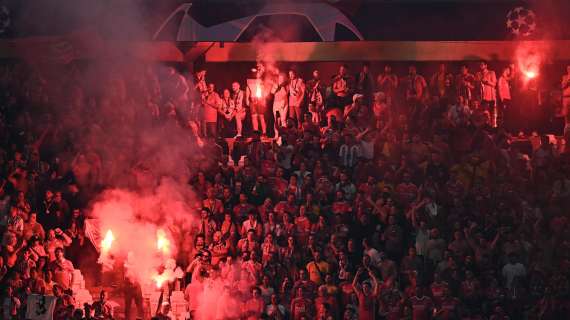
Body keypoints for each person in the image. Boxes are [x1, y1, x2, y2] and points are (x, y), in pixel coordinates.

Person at [477, 61, 497, 126]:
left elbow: (494, 84)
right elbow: (476, 85)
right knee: (483, 113)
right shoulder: (478, 74)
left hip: (490, 97)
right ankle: (484, 127)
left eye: (482, 64)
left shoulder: (491, 73)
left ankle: (492, 127)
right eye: (480, 65)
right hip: (482, 97)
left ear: (486, 65)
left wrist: (487, 81)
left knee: (491, 113)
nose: (481, 66)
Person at [272, 73, 289, 137]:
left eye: (282, 78)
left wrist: (282, 86)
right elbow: (272, 92)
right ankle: (276, 135)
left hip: (284, 103)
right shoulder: (275, 84)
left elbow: (285, 93)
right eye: (280, 78)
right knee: (276, 120)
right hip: (276, 104)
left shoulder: (286, 85)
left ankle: (284, 135)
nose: (281, 79)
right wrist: (277, 86)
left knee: (283, 119)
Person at [561, 65, 570, 134]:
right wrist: (568, 81)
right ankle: (567, 133)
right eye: (568, 69)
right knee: (566, 115)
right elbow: (562, 86)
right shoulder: (565, 77)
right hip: (566, 98)